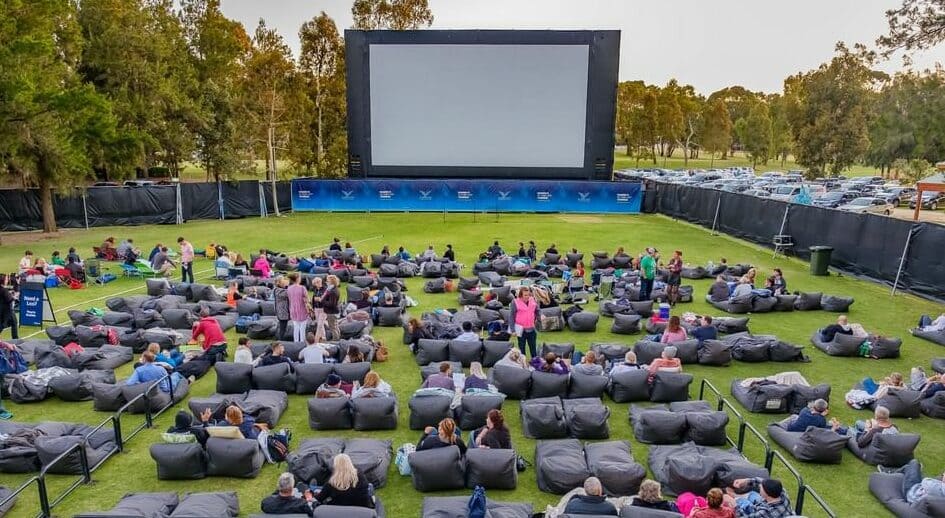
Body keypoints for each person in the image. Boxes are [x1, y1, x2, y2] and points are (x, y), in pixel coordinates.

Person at [723, 477, 791, 517]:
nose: (759, 486)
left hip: (758, 513)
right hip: (764, 505)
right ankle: (735, 496)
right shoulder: (782, 493)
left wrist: (734, 505)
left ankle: (735, 498)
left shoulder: (764, 513)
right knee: (752, 494)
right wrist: (746, 481)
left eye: (761, 487)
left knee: (741, 503)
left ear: (766, 494)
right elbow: (761, 481)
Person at [510, 286, 540, 358]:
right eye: (525, 295)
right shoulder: (515, 302)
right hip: (520, 329)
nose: (527, 297)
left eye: (528, 295)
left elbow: (538, 310)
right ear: (520, 295)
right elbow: (511, 316)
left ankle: (535, 363)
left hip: (532, 328)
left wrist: (541, 315)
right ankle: (522, 365)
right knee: (522, 349)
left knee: (533, 349)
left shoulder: (533, 300)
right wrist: (513, 330)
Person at [285, 273, 308, 343]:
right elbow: (307, 299)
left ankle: (296, 342)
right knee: (302, 328)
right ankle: (302, 342)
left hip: (293, 309)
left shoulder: (289, 288)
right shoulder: (302, 288)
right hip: (302, 309)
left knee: (296, 327)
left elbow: (289, 298)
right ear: (297, 279)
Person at [322, 275, 341, 340]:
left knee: (332, 327)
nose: (326, 282)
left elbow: (331, 304)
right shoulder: (334, 289)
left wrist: (323, 301)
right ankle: (338, 338)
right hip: (334, 311)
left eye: (327, 281)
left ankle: (335, 340)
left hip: (331, 312)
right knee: (335, 326)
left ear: (331, 282)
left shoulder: (332, 291)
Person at [309, 277, 327, 343]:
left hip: (323, 309)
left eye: (319, 282)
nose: (319, 283)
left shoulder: (325, 290)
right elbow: (313, 300)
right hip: (316, 308)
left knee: (320, 324)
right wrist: (313, 309)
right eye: (317, 282)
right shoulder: (315, 290)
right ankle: (323, 337)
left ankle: (317, 339)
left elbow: (326, 299)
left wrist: (320, 299)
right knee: (320, 324)